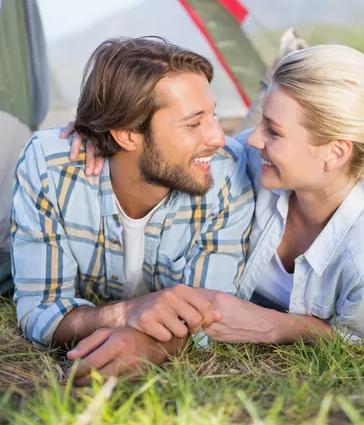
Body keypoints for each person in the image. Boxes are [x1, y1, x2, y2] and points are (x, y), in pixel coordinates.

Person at [69, 44, 364, 383]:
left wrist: (279, 326)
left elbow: (359, 346)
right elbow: (168, 142)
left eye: (273, 130)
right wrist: (107, 133)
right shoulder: (250, 164)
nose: (254, 139)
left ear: (336, 151)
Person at [10, 37, 255, 385]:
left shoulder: (227, 170)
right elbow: (39, 308)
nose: (218, 137)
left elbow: (211, 311)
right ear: (126, 135)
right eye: (193, 122)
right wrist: (124, 314)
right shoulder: (51, 167)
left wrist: (148, 344)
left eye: (213, 115)